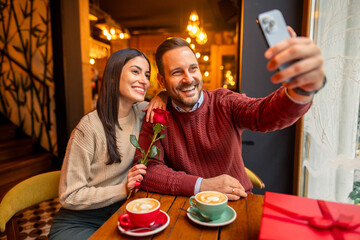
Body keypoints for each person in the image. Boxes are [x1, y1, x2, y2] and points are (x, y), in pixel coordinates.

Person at [134, 28, 325, 201]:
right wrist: (203, 185)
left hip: (237, 202)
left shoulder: (224, 102)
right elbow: (147, 170)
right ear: (161, 80)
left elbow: (263, 114)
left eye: (193, 68)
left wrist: (300, 91)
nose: (188, 78)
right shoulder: (157, 115)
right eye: (177, 72)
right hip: (188, 208)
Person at [49, 48, 166, 240]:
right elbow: (68, 195)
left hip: (120, 214)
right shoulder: (89, 127)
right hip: (80, 221)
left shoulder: (142, 112)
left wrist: (162, 95)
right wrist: (123, 189)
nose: (145, 81)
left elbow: (175, 99)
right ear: (113, 76)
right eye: (135, 71)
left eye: (147, 75)